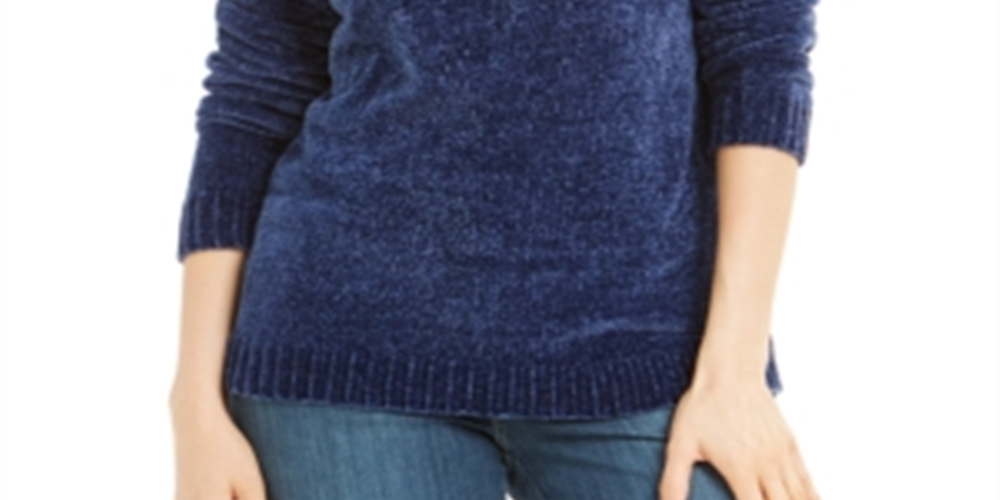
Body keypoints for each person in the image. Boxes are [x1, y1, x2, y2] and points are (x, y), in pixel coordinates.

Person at [169, 0, 822, 499]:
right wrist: (194, 401)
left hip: (649, 351)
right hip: (342, 362)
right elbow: (257, 89)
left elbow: (759, 56)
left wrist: (735, 372)